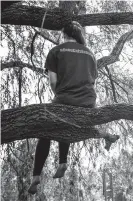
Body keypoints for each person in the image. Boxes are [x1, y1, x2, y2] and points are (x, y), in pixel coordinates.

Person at [28, 21, 98, 194]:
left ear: (63, 34)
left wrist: (60, 95)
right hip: (88, 102)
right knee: (64, 118)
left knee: (46, 128)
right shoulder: (91, 54)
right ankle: (63, 161)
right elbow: (93, 82)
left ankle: (36, 175)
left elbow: (53, 82)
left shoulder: (55, 51)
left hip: (66, 98)